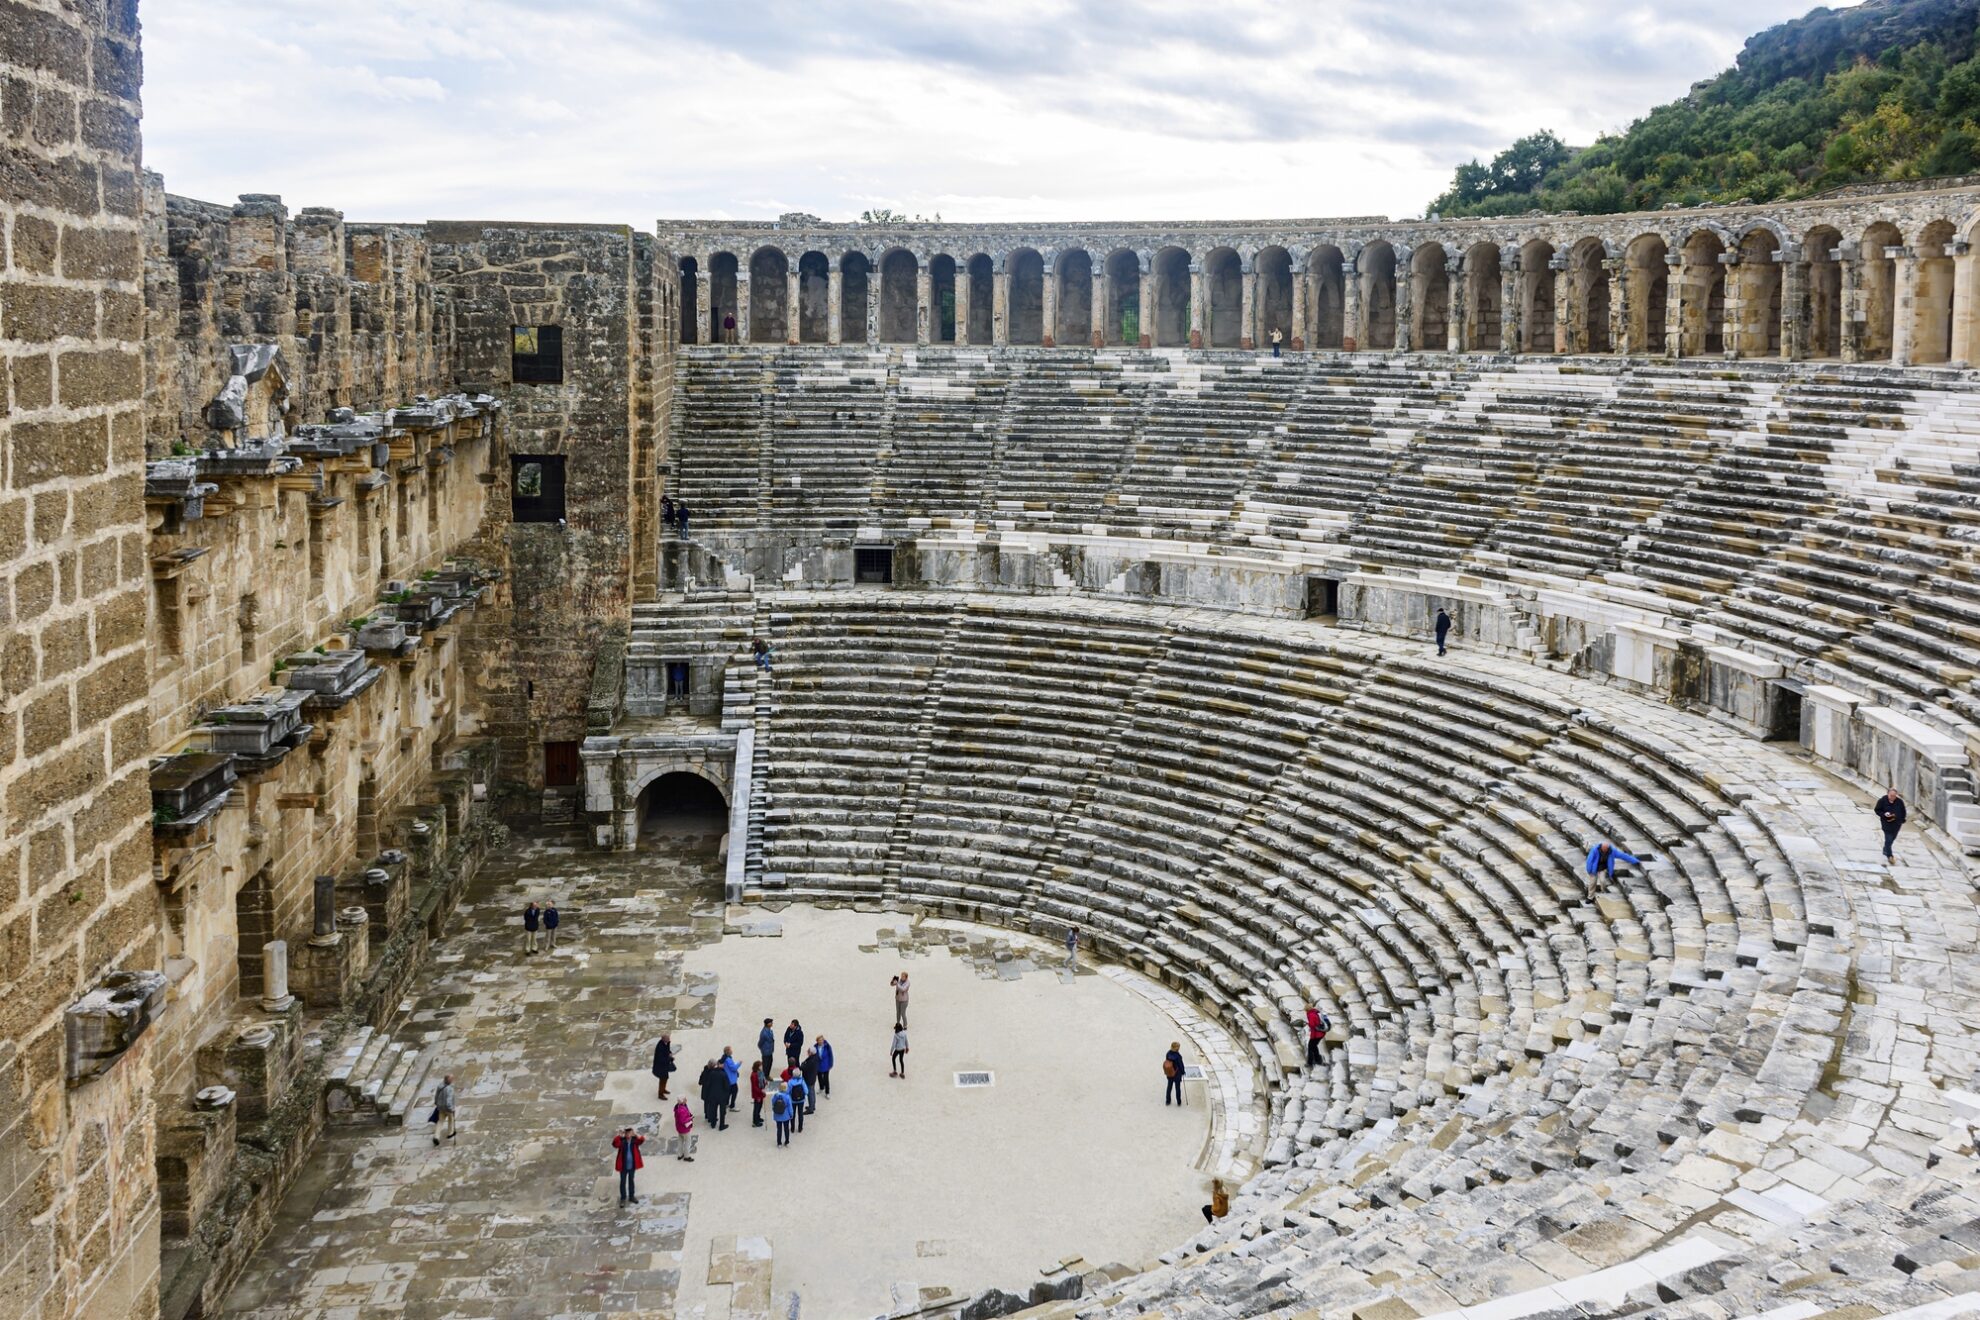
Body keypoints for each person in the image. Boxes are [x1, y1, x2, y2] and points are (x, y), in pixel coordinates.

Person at [1873, 787, 1907, 863]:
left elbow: (1903, 811)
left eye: (1894, 796)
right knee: (1888, 839)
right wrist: (1884, 814)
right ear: (1888, 794)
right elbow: (1877, 810)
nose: (1892, 797)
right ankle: (1890, 856)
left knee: (1892, 839)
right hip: (1887, 824)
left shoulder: (1899, 802)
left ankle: (1886, 849)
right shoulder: (1882, 801)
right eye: (1891, 795)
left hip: (1896, 824)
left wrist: (1902, 819)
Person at [613, 1126, 644, 1203]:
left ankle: (631, 1196)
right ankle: (623, 1198)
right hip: (623, 1166)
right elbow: (615, 1144)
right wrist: (619, 1136)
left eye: (630, 1133)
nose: (628, 1135)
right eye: (626, 1133)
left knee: (631, 1181)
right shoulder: (622, 1141)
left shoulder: (634, 1141)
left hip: (632, 1166)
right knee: (623, 1182)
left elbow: (641, 1140)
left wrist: (636, 1134)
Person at [698, 1058, 728, 1131]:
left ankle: (713, 1123)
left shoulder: (712, 1073)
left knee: (713, 1109)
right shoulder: (723, 1074)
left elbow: (708, 1084)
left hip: (713, 1095)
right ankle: (721, 1125)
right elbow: (727, 1086)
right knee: (722, 1111)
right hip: (721, 1096)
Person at [429, 1073, 457, 1145]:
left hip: (440, 1107)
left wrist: (437, 1103)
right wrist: (452, 1109)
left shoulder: (440, 1086)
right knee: (451, 1119)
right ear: (449, 1080)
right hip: (447, 1109)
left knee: (440, 1121)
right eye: (451, 1079)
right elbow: (448, 1102)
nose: (452, 1080)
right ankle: (450, 1133)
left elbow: (436, 1096)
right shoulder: (449, 1089)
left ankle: (436, 1136)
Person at [652, 1033, 676, 1100]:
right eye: (668, 1039)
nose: (669, 1039)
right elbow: (661, 1059)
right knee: (663, 1079)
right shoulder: (660, 1047)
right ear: (663, 1039)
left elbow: (667, 1051)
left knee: (665, 1078)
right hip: (660, 1067)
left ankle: (663, 1090)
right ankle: (660, 1094)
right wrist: (670, 1058)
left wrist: (669, 1053)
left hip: (664, 1066)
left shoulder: (666, 1043)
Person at [799, 1045, 821, 1114]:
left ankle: (811, 1109)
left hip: (809, 1079)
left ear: (811, 1053)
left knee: (810, 1094)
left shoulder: (811, 1061)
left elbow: (803, 1067)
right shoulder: (815, 1057)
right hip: (813, 1078)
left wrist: (802, 1064)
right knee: (812, 1092)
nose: (807, 1052)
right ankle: (813, 1106)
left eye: (808, 1051)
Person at [720, 1047, 740, 1120]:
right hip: (731, 1080)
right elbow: (733, 1068)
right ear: (728, 1051)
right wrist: (739, 1063)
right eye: (731, 1050)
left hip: (728, 1079)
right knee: (734, 1091)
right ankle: (732, 1106)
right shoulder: (728, 1059)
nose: (732, 1051)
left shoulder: (725, 1058)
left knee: (728, 1092)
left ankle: (726, 1104)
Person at [815, 1034, 834, 1099]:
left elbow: (831, 1055)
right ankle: (821, 1088)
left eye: (822, 1040)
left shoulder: (827, 1047)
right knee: (819, 1078)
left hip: (826, 1065)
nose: (821, 1041)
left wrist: (831, 1064)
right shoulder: (815, 1047)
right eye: (819, 1040)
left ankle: (827, 1092)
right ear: (817, 1041)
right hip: (818, 1066)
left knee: (826, 1079)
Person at [749, 1061, 767, 1127]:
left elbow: (763, 1080)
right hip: (757, 1094)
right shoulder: (753, 1075)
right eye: (761, 1065)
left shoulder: (761, 1073)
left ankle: (758, 1117)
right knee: (757, 1107)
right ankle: (755, 1121)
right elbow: (754, 1087)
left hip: (761, 1093)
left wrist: (765, 1082)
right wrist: (761, 1091)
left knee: (760, 1106)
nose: (762, 1067)